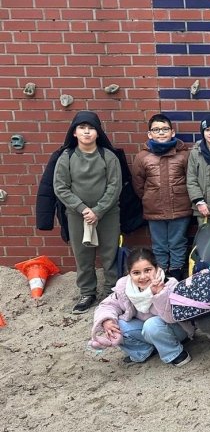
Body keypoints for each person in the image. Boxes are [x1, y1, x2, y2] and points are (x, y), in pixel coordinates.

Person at [53, 111, 123, 314]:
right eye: (82, 128)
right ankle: (87, 293)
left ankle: (111, 291)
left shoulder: (108, 156)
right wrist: (83, 209)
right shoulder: (66, 157)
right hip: (78, 215)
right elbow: (60, 187)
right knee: (83, 255)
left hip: (107, 213)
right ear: (74, 132)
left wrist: (98, 210)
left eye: (91, 128)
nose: (86, 132)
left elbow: (115, 186)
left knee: (110, 253)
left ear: (98, 132)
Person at [88, 247, 193, 367]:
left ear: (156, 268)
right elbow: (107, 305)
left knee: (151, 324)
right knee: (117, 324)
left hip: (176, 330)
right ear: (129, 273)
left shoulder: (170, 284)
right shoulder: (125, 287)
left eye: (147, 270)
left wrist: (159, 294)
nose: (142, 277)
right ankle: (144, 351)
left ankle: (175, 353)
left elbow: (172, 318)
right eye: (136, 273)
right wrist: (107, 321)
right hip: (146, 331)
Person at [132, 113, 192, 279]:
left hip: (179, 208)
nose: (161, 133)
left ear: (172, 132)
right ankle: (162, 274)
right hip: (154, 209)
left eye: (165, 129)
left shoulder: (184, 155)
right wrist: (149, 197)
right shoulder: (142, 157)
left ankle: (176, 273)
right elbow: (138, 184)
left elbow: (191, 180)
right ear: (149, 134)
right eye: (156, 130)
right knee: (159, 244)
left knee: (177, 242)